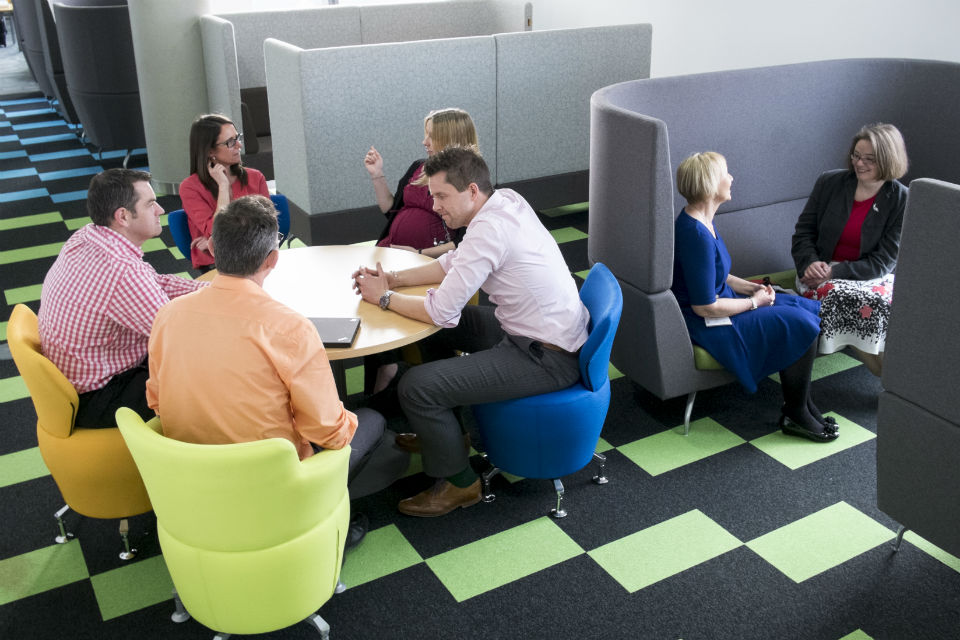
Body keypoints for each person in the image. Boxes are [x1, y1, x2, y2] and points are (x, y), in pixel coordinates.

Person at [353, 146, 590, 517]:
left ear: (473, 191)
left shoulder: (488, 228)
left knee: (417, 385)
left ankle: (462, 484)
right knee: (430, 332)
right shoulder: (504, 200)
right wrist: (394, 279)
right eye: (433, 196)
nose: (435, 207)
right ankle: (446, 434)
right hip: (535, 330)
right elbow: (452, 262)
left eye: (442, 196)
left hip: (547, 356)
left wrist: (383, 298)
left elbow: (441, 309)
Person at [147, 195, 385, 545]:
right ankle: (326, 524)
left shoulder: (167, 315)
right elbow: (329, 434)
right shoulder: (290, 328)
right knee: (372, 420)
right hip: (272, 484)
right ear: (272, 260)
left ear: (212, 248)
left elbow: (156, 401)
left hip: (191, 476)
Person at [671, 152, 836, 442]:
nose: (731, 178)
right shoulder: (695, 233)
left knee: (805, 307)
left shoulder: (702, 221)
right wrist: (754, 303)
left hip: (724, 305)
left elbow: (717, 276)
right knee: (799, 323)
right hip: (710, 323)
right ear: (710, 184)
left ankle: (801, 405)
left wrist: (752, 288)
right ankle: (796, 411)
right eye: (726, 173)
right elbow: (704, 306)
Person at [38, 168, 206, 428]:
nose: (161, 210)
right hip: (100, 397)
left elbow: (153, 283)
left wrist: (207, 290)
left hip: (77, 379)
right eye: (150, 204)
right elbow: (177, 333)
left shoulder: (88, 236)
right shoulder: (122, 271)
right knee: (210, 364)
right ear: (123, 216)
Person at [791, 123, 909, 376]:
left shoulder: (901, 199)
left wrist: (835, 272)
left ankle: (899, 384)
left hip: (869, 276)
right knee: (850, 299)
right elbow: (803, 234)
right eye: (856, 155)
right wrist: (809, 263)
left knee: (886, 300)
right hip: (817, 272)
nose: (859, 163)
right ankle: (897, 384)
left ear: (888, 160)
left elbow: (884, 262)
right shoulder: (829, 182)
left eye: (869, 159)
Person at [363, 108, 477, 258]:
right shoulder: (419, 167)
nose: (424, 141)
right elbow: (390, 210)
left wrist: (419, 254)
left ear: (450, 138)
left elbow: (463, 241)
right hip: (392, 250)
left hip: (430, 261)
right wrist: (377, 174)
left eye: (432, 136)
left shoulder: (470, 177)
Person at [179, 113, 269, 271]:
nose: (239, 145)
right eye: (230, 142)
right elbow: (218, 231)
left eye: (237, 137)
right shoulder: (190, 187)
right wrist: (223, 186)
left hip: (257, 256)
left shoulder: (256, 177)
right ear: (210, 152)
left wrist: (215, 240)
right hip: (217, 263)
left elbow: (268, 228)